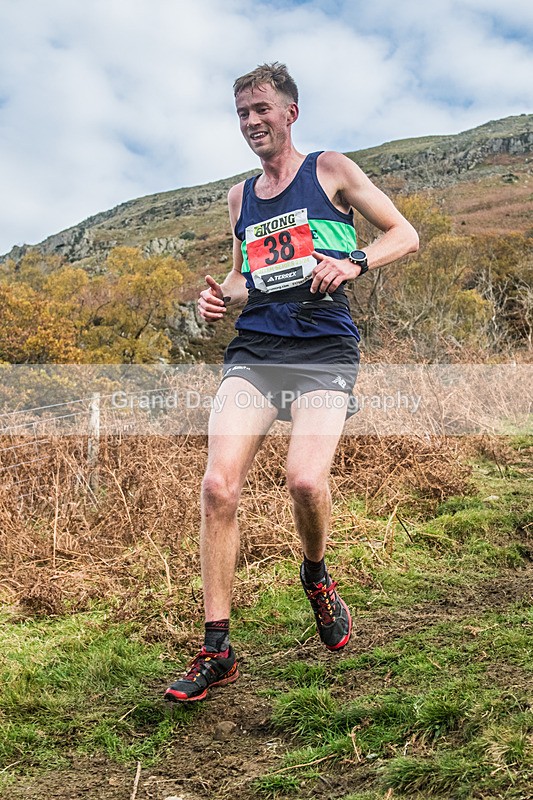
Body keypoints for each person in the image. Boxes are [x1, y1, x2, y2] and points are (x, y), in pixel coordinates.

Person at [164, 63, 418, 703]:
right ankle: (216, 649)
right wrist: (217, 301)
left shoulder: (330, 169)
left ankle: (316, 574)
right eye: (243, 114)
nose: (252, 123)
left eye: (262, 110)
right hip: (257, 350)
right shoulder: (240, 197)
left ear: (290, 113)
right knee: (218, 486)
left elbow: (405, 234)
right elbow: (245, 277)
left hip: (325, 349)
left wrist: (354, 261)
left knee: (305, 480)